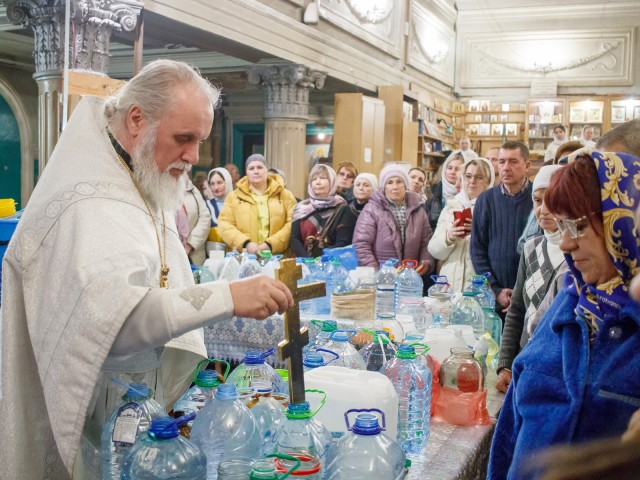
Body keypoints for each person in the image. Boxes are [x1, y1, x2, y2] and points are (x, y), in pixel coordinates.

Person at [0, 59, 294, 479]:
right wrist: (229, 296)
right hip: (90, 409)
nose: (193, 156)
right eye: (183, 138)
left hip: (131, 403)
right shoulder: (88, 204)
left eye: (200, 140)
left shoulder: (134, 172)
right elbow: (114, 326)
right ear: (137, 119)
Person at [488, 151, 640, 480]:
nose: (567, 243)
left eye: (580, 226)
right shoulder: (569, 300)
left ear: (624, 224)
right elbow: (511, 428)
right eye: (563, 225)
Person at [495, 165, 567, 394]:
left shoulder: (578, 255)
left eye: (553, 201)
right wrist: (505, 364)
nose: (543, 210)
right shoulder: (531, 248)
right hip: (525, 362)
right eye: (538, 201)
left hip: (557, 372)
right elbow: (517, 310)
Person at [471, 141, 533, 314]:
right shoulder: (486, 200)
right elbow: (477, 250)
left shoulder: (539, 199)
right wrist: (497, 290)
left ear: (527, 165)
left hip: (531, 297)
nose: (506, 167)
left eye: (513, 161)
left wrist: (523, 294)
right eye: (501, 161)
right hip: (495, 297)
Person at [353, 164, 435, 274]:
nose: (395, 187)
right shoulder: (371, 209)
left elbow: (426, 241)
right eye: (390, 182)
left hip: (411, 276)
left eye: (399, 182)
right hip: (382, 277)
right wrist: (377, 273)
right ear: (384, 186)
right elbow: (361, 244)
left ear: (405, 185)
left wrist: (424, 264)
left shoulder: (418, 209)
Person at [428, 158, 494, 292]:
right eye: (468, 176)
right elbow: (434, 250)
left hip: (478, 286)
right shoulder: (451, 205)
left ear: (488, 181)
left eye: (479, 177)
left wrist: (478, 232)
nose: (472, 181)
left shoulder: (494, 208)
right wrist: (449, 237)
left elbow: (497, 252)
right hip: (449, 285)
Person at [218, 153, 297, 254]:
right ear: (246, 172)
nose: (256, 171)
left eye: (260, 167)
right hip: (245, 257)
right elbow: (224, 224)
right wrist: (246, 243)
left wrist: (270, 245)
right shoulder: (233, 197)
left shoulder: (285, 195)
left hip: (277, 258)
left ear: (267, 170)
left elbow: (292, 224)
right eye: (251, 168)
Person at [290, 164, 356, 257]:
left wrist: (322, 261)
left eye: (323, 178)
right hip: (303, 264)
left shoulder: (342, 208)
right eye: (314, 179)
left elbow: (342, 243)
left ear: (332, 181)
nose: (318, 182)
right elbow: (294, 238)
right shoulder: (301, 208)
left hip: (332, 264)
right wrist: (308, 261)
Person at [424, 153, 464, 231]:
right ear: (444, 170)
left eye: (457, 169)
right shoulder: (432, 192)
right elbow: (425, 224)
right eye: (449, 168)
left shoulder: (467, 194)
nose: (452, 172)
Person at [180, 177, 212, 265]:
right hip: (169, 254)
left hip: (194, 255)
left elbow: (205, 217)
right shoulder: (159, 189)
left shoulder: (191, 188)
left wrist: (190, 244)